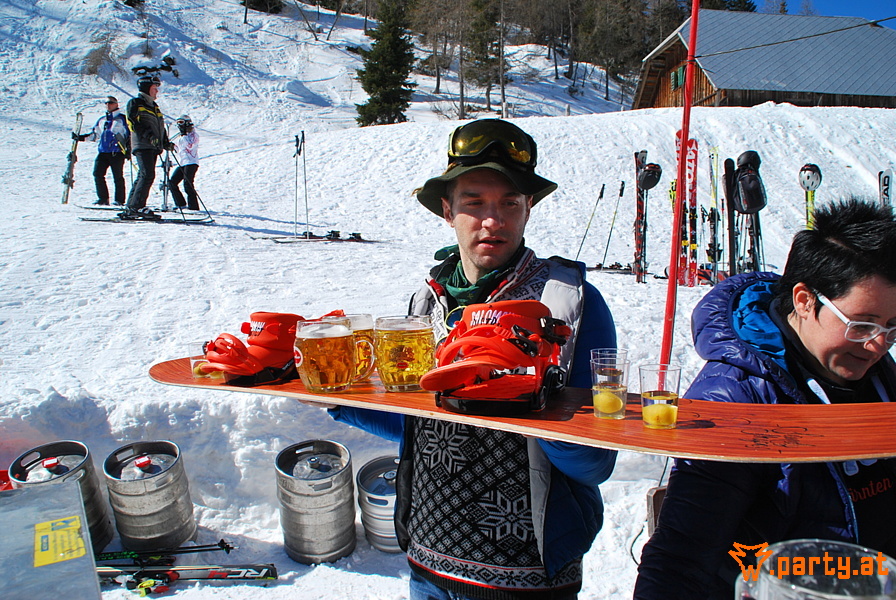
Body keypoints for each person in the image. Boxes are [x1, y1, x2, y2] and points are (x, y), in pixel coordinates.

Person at [328, 119, 618, 599]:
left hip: (527, 575)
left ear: (529, 210)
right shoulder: (425, 304)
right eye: (474, 202)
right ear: (447, 211)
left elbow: (595, 463)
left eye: (510, 203)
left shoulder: (569, 302)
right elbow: (423, 423)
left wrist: (529, 406)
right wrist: (335, 399)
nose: (493, 220)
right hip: (428, 564)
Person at [634, 198, 896, 600]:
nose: (878, 344)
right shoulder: (737, 396)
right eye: (861, 324)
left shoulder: (878, 376)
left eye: (892, 326)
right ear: (805, 301)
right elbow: (683, 553)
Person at [123, 75, 169, 217]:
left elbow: (160, 126)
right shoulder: (136, 103)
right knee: (147, 174)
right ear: (147, 89)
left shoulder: (154, 106)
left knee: (144, 175)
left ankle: (132, 206)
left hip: (152, 146)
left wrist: (165, 141)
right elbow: (133, 123)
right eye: (154, 88)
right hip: (142, 144)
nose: (157, 91)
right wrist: (150, 137)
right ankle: (137, 207)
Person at [74, 96, 130, 206]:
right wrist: (81, 138)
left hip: (117, 152)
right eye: (107, 103)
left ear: (116, 104)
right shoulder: (102, 120)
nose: (109, 105)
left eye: (111, 103)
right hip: (103, 151)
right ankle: (103, 198)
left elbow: (130, 134)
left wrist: (129, 148)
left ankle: (119, 200)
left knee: (117, 176)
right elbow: (95, 135)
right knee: (98, 174)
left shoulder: (122, 119)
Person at [169, 115, 200, 211]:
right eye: (178, 123)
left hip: (191, 162)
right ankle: (180, 204)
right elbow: (181, 150)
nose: (179, 125)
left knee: (188, 184)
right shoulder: (182, 136)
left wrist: (184, 135)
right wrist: (173, 146)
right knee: (172, 182)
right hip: (183, 163)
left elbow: (190, 146)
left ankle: (193, 207)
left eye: (181, 122)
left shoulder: (193, 135)